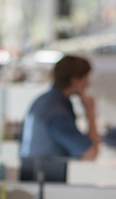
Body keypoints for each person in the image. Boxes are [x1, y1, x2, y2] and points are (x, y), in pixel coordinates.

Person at [19, 54, 98, 182]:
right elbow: (90, 153)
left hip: (37, 178)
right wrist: (91, 112)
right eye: (86, 78)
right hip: (47, 184)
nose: (88, 83)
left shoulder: (44, 101)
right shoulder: (57, 113)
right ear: (75, 81)